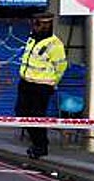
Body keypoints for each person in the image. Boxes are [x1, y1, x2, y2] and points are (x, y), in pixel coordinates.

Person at [15, 12, 68, 159]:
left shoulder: (55, 44)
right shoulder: (32, 39)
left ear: (47, 25)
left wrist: (52, 82)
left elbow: (61, 66)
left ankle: (40, 146)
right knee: (21, 113)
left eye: (39, 24)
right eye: (36, 23)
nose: (36, 27)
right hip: (26, 83)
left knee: (36, 117)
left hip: (41, 86)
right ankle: (38, 141)